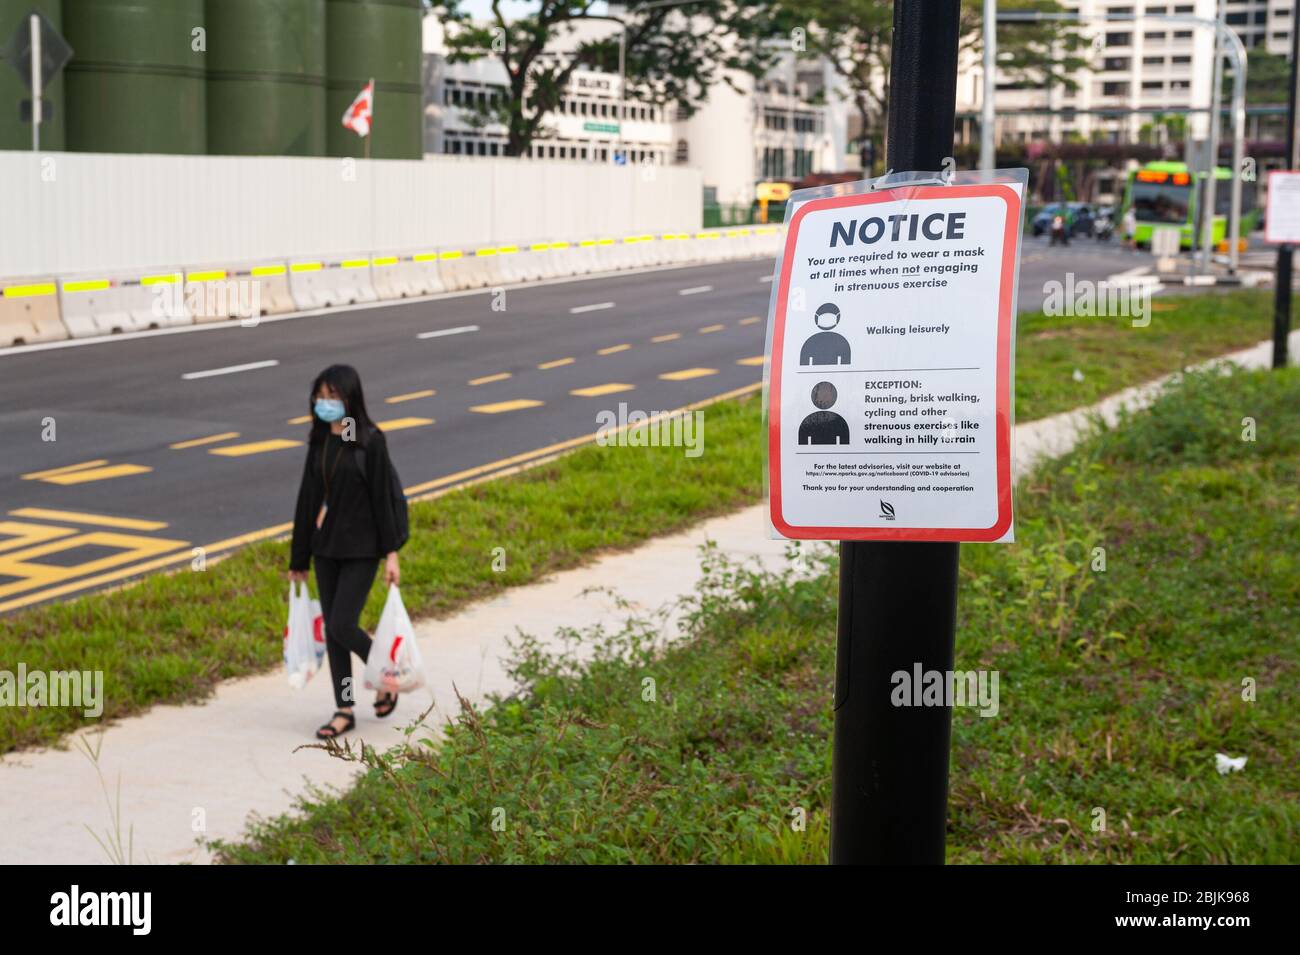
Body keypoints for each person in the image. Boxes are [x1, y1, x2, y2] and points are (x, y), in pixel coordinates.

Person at [288, 364, 402, 740]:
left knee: (341, 624)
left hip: (362, 549)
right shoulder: (319, 442)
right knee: (335, 636)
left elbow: (383, 500)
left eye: (333, 397)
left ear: (350, 399)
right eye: (321, 397)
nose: (326, 404)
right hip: (326, 549)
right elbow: (308, 501)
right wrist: (298, 557)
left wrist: (391, 553)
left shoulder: (370, 441)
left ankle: (386, 677)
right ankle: (344, 709)